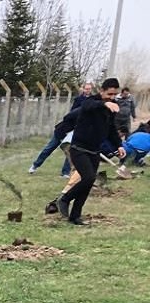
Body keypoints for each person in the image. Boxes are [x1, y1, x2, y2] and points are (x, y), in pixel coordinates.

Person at [58, 78, 126, 226]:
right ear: (101, 91)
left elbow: (111, 129)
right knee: (88, 177)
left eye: (115, 95)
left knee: (88, 183)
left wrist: (119, 145)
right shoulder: (91, 102)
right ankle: (64, 199)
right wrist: (104, 103)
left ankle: (75, 216)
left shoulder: (111, 108)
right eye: (109, 94)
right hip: (78, 148)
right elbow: (89, 106)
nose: (112, 97)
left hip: (94, 150)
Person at [29, 81, 93, 176]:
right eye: (86, 89)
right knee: (49, 148)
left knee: (70, 151)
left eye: (89, 89)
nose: (87, 91)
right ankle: (35, 165)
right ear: (83, 89)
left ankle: (65, 172)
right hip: (64, 130)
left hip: (76, 131)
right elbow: (70, 115)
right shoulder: (78, 100)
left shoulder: (92, 101)